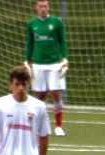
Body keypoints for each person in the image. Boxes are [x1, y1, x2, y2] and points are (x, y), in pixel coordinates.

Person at [25, 0, 68, 136]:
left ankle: (59, 126)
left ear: (48, 8)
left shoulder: (56, 22)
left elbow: (62, 41)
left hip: (54, 63)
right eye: (40, 6)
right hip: (38, 64)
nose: (43, 8)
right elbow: (30, 43)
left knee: (56, 94)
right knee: (40, 97)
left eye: (45, 6)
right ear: (36, 8)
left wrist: (64, 58)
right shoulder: (32, 24)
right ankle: (39, 125)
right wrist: (28, 60)